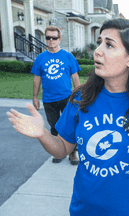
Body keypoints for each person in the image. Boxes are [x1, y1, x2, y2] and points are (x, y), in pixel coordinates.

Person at [7, 18, 129, 216]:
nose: (98, 50)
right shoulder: (82, 98)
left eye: (109, 45)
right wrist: (42, 133)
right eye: (99, 42)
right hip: (85, 210)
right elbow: (61, 150)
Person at [31, 26, 80, 164]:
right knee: (54, 127)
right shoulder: (40, 58)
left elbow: (75, 78)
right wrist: (35, 97)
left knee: (70, 126)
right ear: (45, 38)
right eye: (48, 37)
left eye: (54, 38)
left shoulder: (68, 56)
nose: (51, 40)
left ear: (59, 39)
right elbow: (37, 79)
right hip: (48, 100)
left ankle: (72, 153)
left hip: (67, 98)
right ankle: (59, 152)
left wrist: (79, 96)